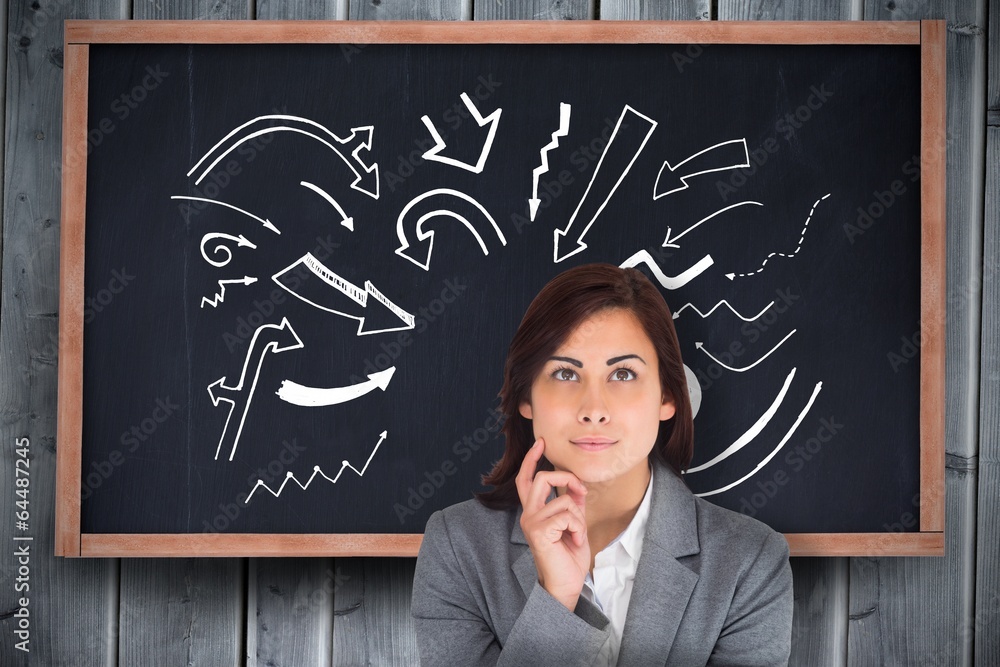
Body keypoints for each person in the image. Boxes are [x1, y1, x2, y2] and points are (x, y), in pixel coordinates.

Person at [411, 263, 793, 666]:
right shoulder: (458, 549)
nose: (594, 409)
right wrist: (556, 598)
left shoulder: (749, 562)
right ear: (526, 398)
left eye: (623, 373)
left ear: (667, 398)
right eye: (564, 373)